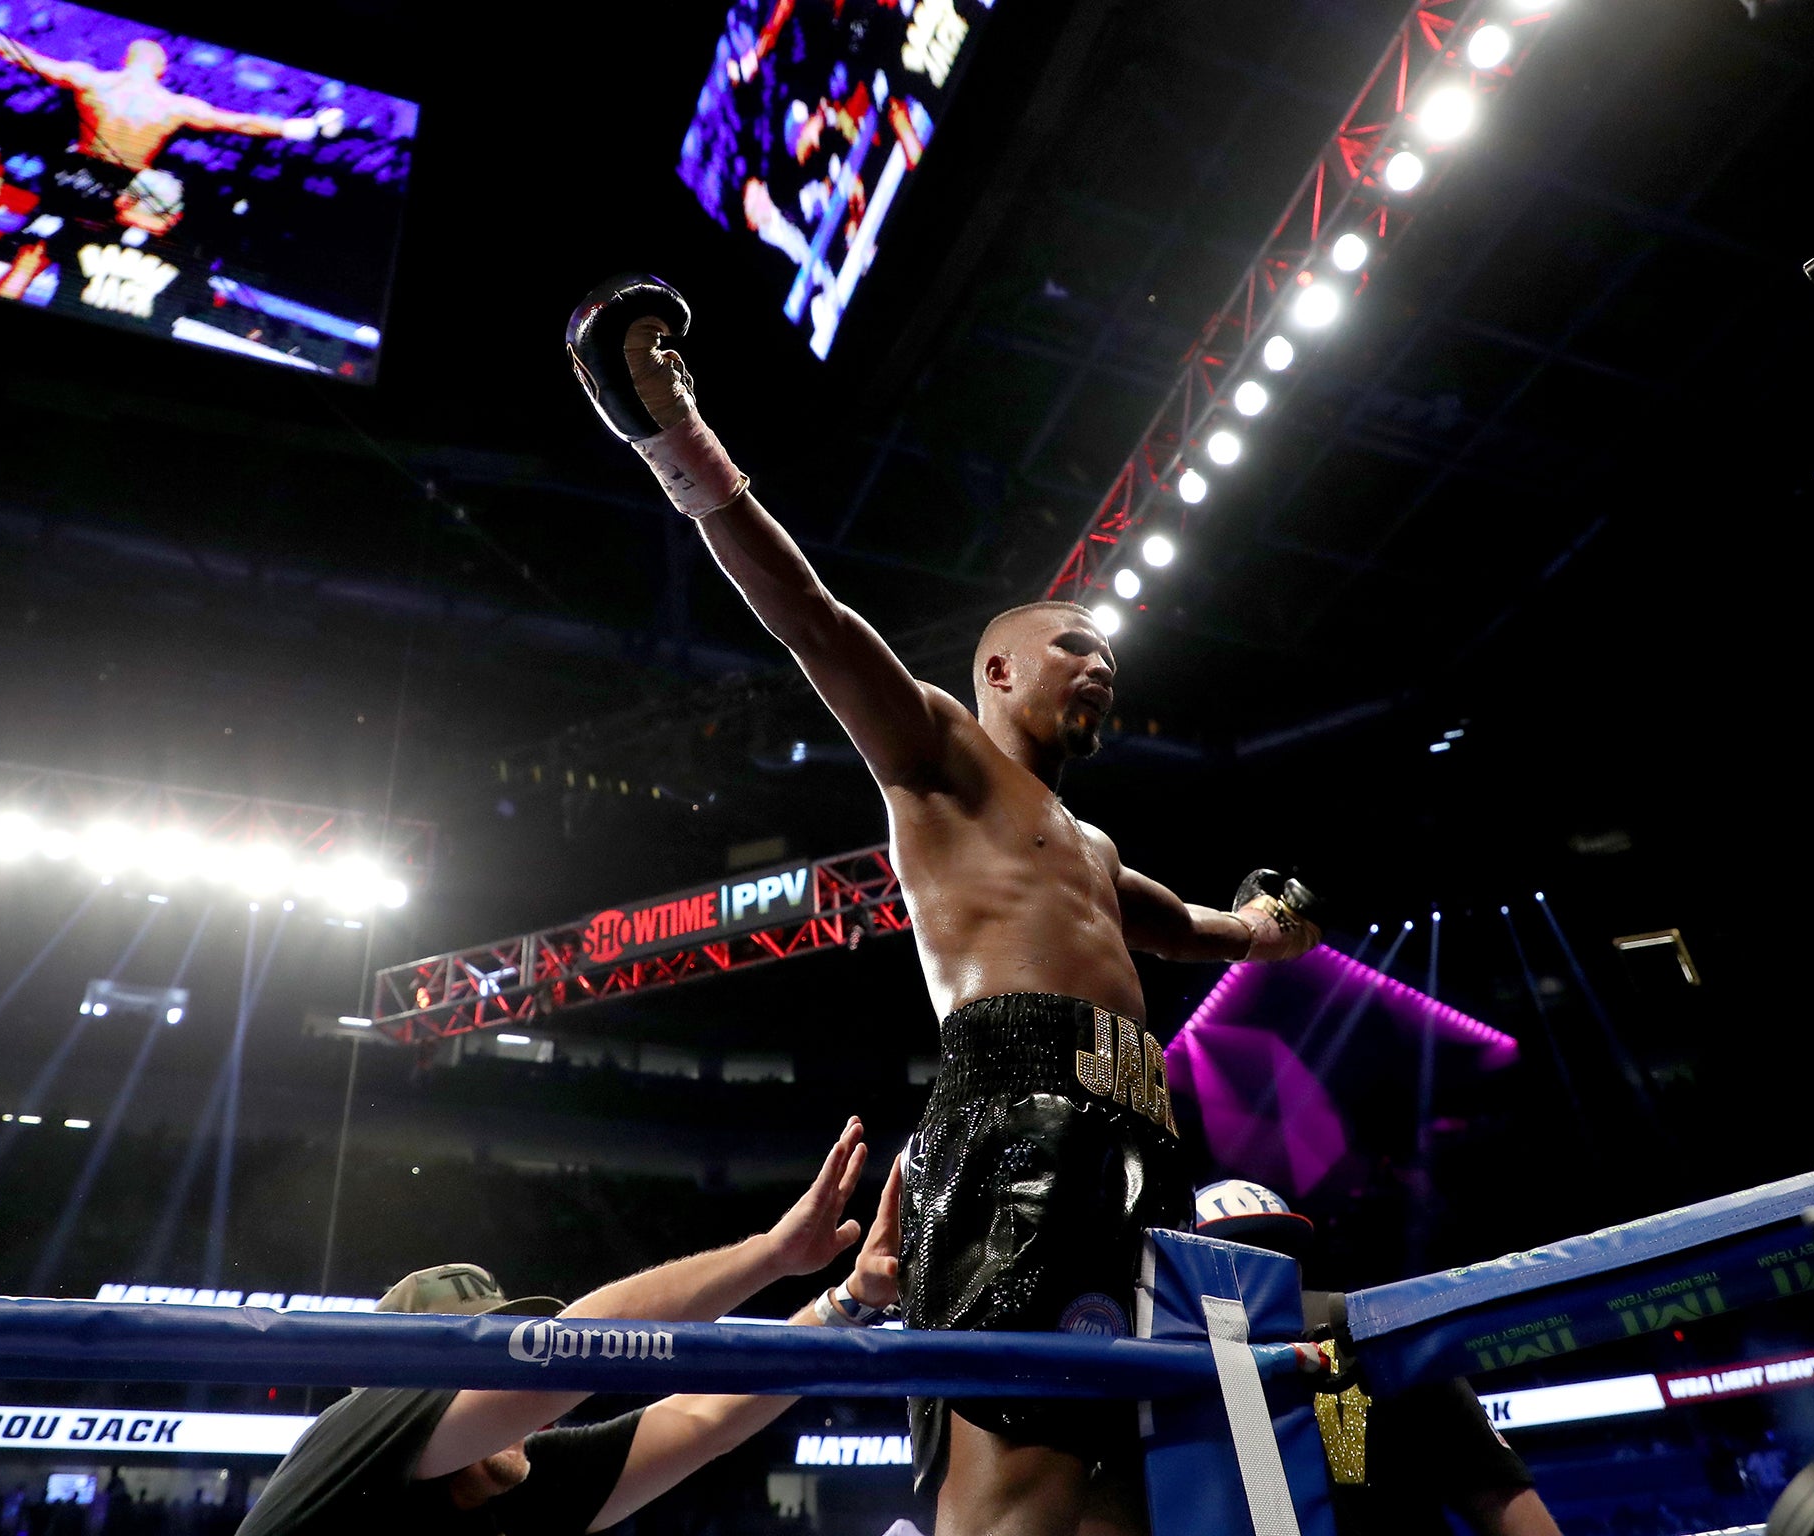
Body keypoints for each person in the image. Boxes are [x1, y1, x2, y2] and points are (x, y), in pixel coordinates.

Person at [566, 275, 1325, 1536]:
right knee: (1010, 1470)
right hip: (1015, 1117)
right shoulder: (934, 754)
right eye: (1074, 643)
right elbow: (810, 623)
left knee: (1127, 1474)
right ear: (997, 668)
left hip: (1138, 1127)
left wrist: (1266, 928)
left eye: (1109, 656)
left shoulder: (1087, 841)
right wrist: (670, 435)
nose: (1100, 665)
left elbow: (1193, 930)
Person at [236, 1119, 903, 1536]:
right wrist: (769, 1255)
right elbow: (567, 1355)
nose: (511, 1375)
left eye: (503, 1350)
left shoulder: (520, 1487)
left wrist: (848, 1302)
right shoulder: (346, 1452)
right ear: (398, 1388)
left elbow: (703, 1418)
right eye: (483, 1361)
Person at [1191, 1178, 1564, 1536]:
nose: (1257, 1272)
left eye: (1272, 1254)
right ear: (1189, 1277)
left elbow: (1499, 1493)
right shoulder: (1170, 1382)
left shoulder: (1385, 1343)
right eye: (1231, 1258)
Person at [0, 0, 341, 221]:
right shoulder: (173, 105)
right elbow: (241, 123)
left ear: (128, 59)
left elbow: (27, 58)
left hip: (74, 172)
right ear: (161, 70)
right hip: (124, 186)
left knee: (46, 234)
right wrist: (304, 129)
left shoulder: (94, 81)